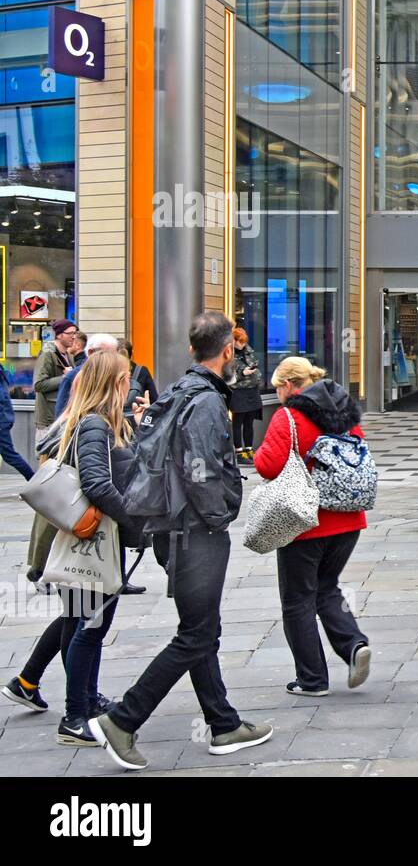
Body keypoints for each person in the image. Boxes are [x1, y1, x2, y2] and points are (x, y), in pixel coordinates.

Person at [90, 312, 272, 771]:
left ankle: (224, 724)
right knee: (195, 634)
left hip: (171, 529)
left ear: (192, 350)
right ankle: (122, 720)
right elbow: (204, 469)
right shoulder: (207, 401)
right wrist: (221, 514)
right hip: (196, 532)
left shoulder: (177, 390)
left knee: (202, 628)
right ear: (228, 350)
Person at [40, 351, 146, 745]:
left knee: (78, 624)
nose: (130, 384)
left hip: (94, 540)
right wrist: (134, 520)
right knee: (89, 627)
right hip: (96, 541)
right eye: (125, 378)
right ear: (113, 383)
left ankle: (85, 698)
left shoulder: (99, 423)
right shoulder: (94, 425)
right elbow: (98, 484)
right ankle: (74, 716)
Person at [254, 357, 371, 696]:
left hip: (305, 522)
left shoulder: (289, 416)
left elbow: (267, 465)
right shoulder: (345, 411)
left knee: (297, 600)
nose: (278, 394)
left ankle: (312, 679)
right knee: (326, 586)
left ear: (291, 385)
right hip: (349, 519)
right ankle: (353, 644)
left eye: (278, 387)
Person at [54, 333, 118, 421]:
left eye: (114, 355)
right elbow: (61, 414)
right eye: (106, 355)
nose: (112, 360)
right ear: (91, 352)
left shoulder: (115, 374)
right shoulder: (73, 376)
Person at [32, 319, 79, 430]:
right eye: (70, 333)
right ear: (59, 335)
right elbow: (38, 385)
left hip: (63, 416)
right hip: (49, 419)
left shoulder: (68, 354)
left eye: (75, 333)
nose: (74, 337)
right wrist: (65, 377)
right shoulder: (47, 353)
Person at [229, 327, 262, 463]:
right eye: (240, 342)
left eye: (244, 342)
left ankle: (249, 449)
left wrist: (253, 370)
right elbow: (228, 374)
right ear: (234, 341)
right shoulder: (228, 353)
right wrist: (243, 373)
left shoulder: (248, 350)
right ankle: (239, 452)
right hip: (238, 391)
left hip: (252, 389)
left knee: (249, 421)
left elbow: (255, 362)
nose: (242, 345)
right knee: (238, 421)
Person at [0, 362, 32, 480]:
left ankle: (33, 479)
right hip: (4, 419)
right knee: (10, 455)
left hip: (2, 421)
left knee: (9, 455)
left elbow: (2, 399)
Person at [119, 340, 158, 415]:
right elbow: (154, 400)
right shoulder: (141, 371)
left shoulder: (108, 373)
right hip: (136, 418)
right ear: (132, 353)